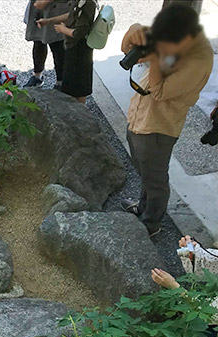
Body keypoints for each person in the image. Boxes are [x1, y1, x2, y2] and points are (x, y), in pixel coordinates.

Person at [119, 5, 213, 237]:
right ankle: (142, 206)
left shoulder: (199, 58)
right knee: (144, 171)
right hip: (139, 117)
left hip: (159, 127)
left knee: (156, 179)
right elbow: (126, 50)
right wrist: (133, 31)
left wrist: (155, 57)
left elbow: (159, 92)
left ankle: (151, 224)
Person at [37, 0, 97, 103]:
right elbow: (72, 15)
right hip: (73, 49)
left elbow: (79, 32)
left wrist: (63, 29)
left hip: (80, 52)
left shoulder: (88, 3)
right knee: (71, 88)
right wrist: (49, 21)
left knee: (79, 90)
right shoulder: (81, 2)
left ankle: (81, 116)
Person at [24, 0, 70, 88]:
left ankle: (61, 82)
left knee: (58, 45)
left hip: (58, 7)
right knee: (38, 41)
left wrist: (45, 1)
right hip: (39, 6)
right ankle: (37, 76)